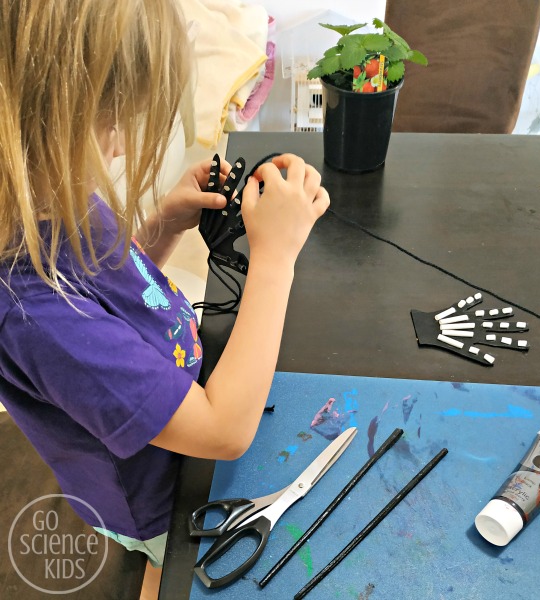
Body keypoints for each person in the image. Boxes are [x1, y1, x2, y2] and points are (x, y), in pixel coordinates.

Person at [0, 1, 329, 599]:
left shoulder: (56, 192)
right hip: (152, 498)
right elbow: (225, 430)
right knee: (175, 565)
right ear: (49, 118)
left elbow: (113, 288)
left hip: (181, 436)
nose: (122, 148)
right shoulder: (35, 315)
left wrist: (163, 224)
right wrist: (276, 258)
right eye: (114, 123)